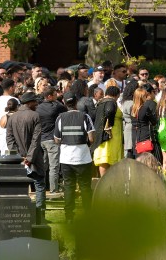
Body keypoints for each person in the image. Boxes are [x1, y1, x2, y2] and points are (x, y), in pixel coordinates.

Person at [54, 92, 95, 223]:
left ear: (65, 103)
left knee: (69, 186)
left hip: (66, 158)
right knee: (85, 187)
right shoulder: (85, 116)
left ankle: (69, 216)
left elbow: (56, 139)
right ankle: (88, 214)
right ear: (77, 102)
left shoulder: (60, 118)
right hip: (83, 157)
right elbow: (92, 138)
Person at [6, 92, 46, 216]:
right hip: (34, 158)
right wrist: (28, 158)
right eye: (35, 101)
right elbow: (36, 139)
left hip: (20, 158)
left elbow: (9, 139)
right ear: (29, 103)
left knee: (20, 187)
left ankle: (21, 214)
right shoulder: (35, 116)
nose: (37, 104)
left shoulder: (12, 117)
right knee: (39, 184)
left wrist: (17, 156)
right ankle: (40, 216)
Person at [37, 88, 67, 193]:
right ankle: (54, 190)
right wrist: (58, 100)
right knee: (54, 167)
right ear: (49, 96)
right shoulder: (56, 106)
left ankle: (41, 188)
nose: (56, 96)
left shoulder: (38, 107)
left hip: (41, 140)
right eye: (55, 95)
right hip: (52, 140)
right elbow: (65, 109)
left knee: (43, 166)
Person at [92, 85, 123, 176]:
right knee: (107, 158)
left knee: (103, 159)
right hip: (110, 136)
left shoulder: (100, 102)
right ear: (116, 95)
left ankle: (104, 182)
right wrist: (110, 123)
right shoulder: (111, 101)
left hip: (100, 134)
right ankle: (108, 183)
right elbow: (109, 111)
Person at [130, 85, 160, 160]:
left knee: (138, 157)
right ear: (142, 97)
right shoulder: (145, 108)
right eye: (145, 96)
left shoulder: (132, 108)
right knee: (146, 158)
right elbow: (154, 122)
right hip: (145, 134)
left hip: (135, 135)